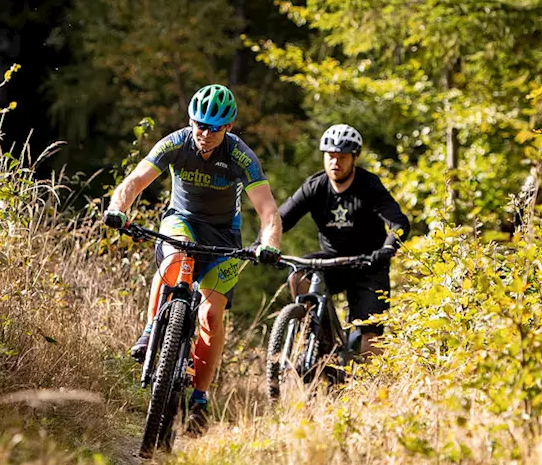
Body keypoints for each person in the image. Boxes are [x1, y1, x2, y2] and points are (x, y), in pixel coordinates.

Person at [103, 84, 283, 433]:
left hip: (224, 236)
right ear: (190, 121)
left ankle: (200, 397)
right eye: (200, 125)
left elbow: (267, 209)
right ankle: (151, 329)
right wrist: (117, 208)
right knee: (177, 257)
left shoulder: (240, 155)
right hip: (181, 221)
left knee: (211, 314)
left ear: (228, 127)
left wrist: (269, 243)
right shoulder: (175, 143)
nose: (205, 133)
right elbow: (135, 181)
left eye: (215, 128)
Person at [277, 123, 411, 356]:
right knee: (298, 275)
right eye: (330, 156)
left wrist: (388, 249)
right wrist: (264, 244)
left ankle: (368, 388)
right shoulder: (315, 186)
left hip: (369, 264)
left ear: (354, 158)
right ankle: (321, 337)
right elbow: (279, 220)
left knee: (370, 341)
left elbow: (399, 223)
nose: (335, 162)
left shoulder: (369, 186)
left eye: (342, 157)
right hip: (332, 261)